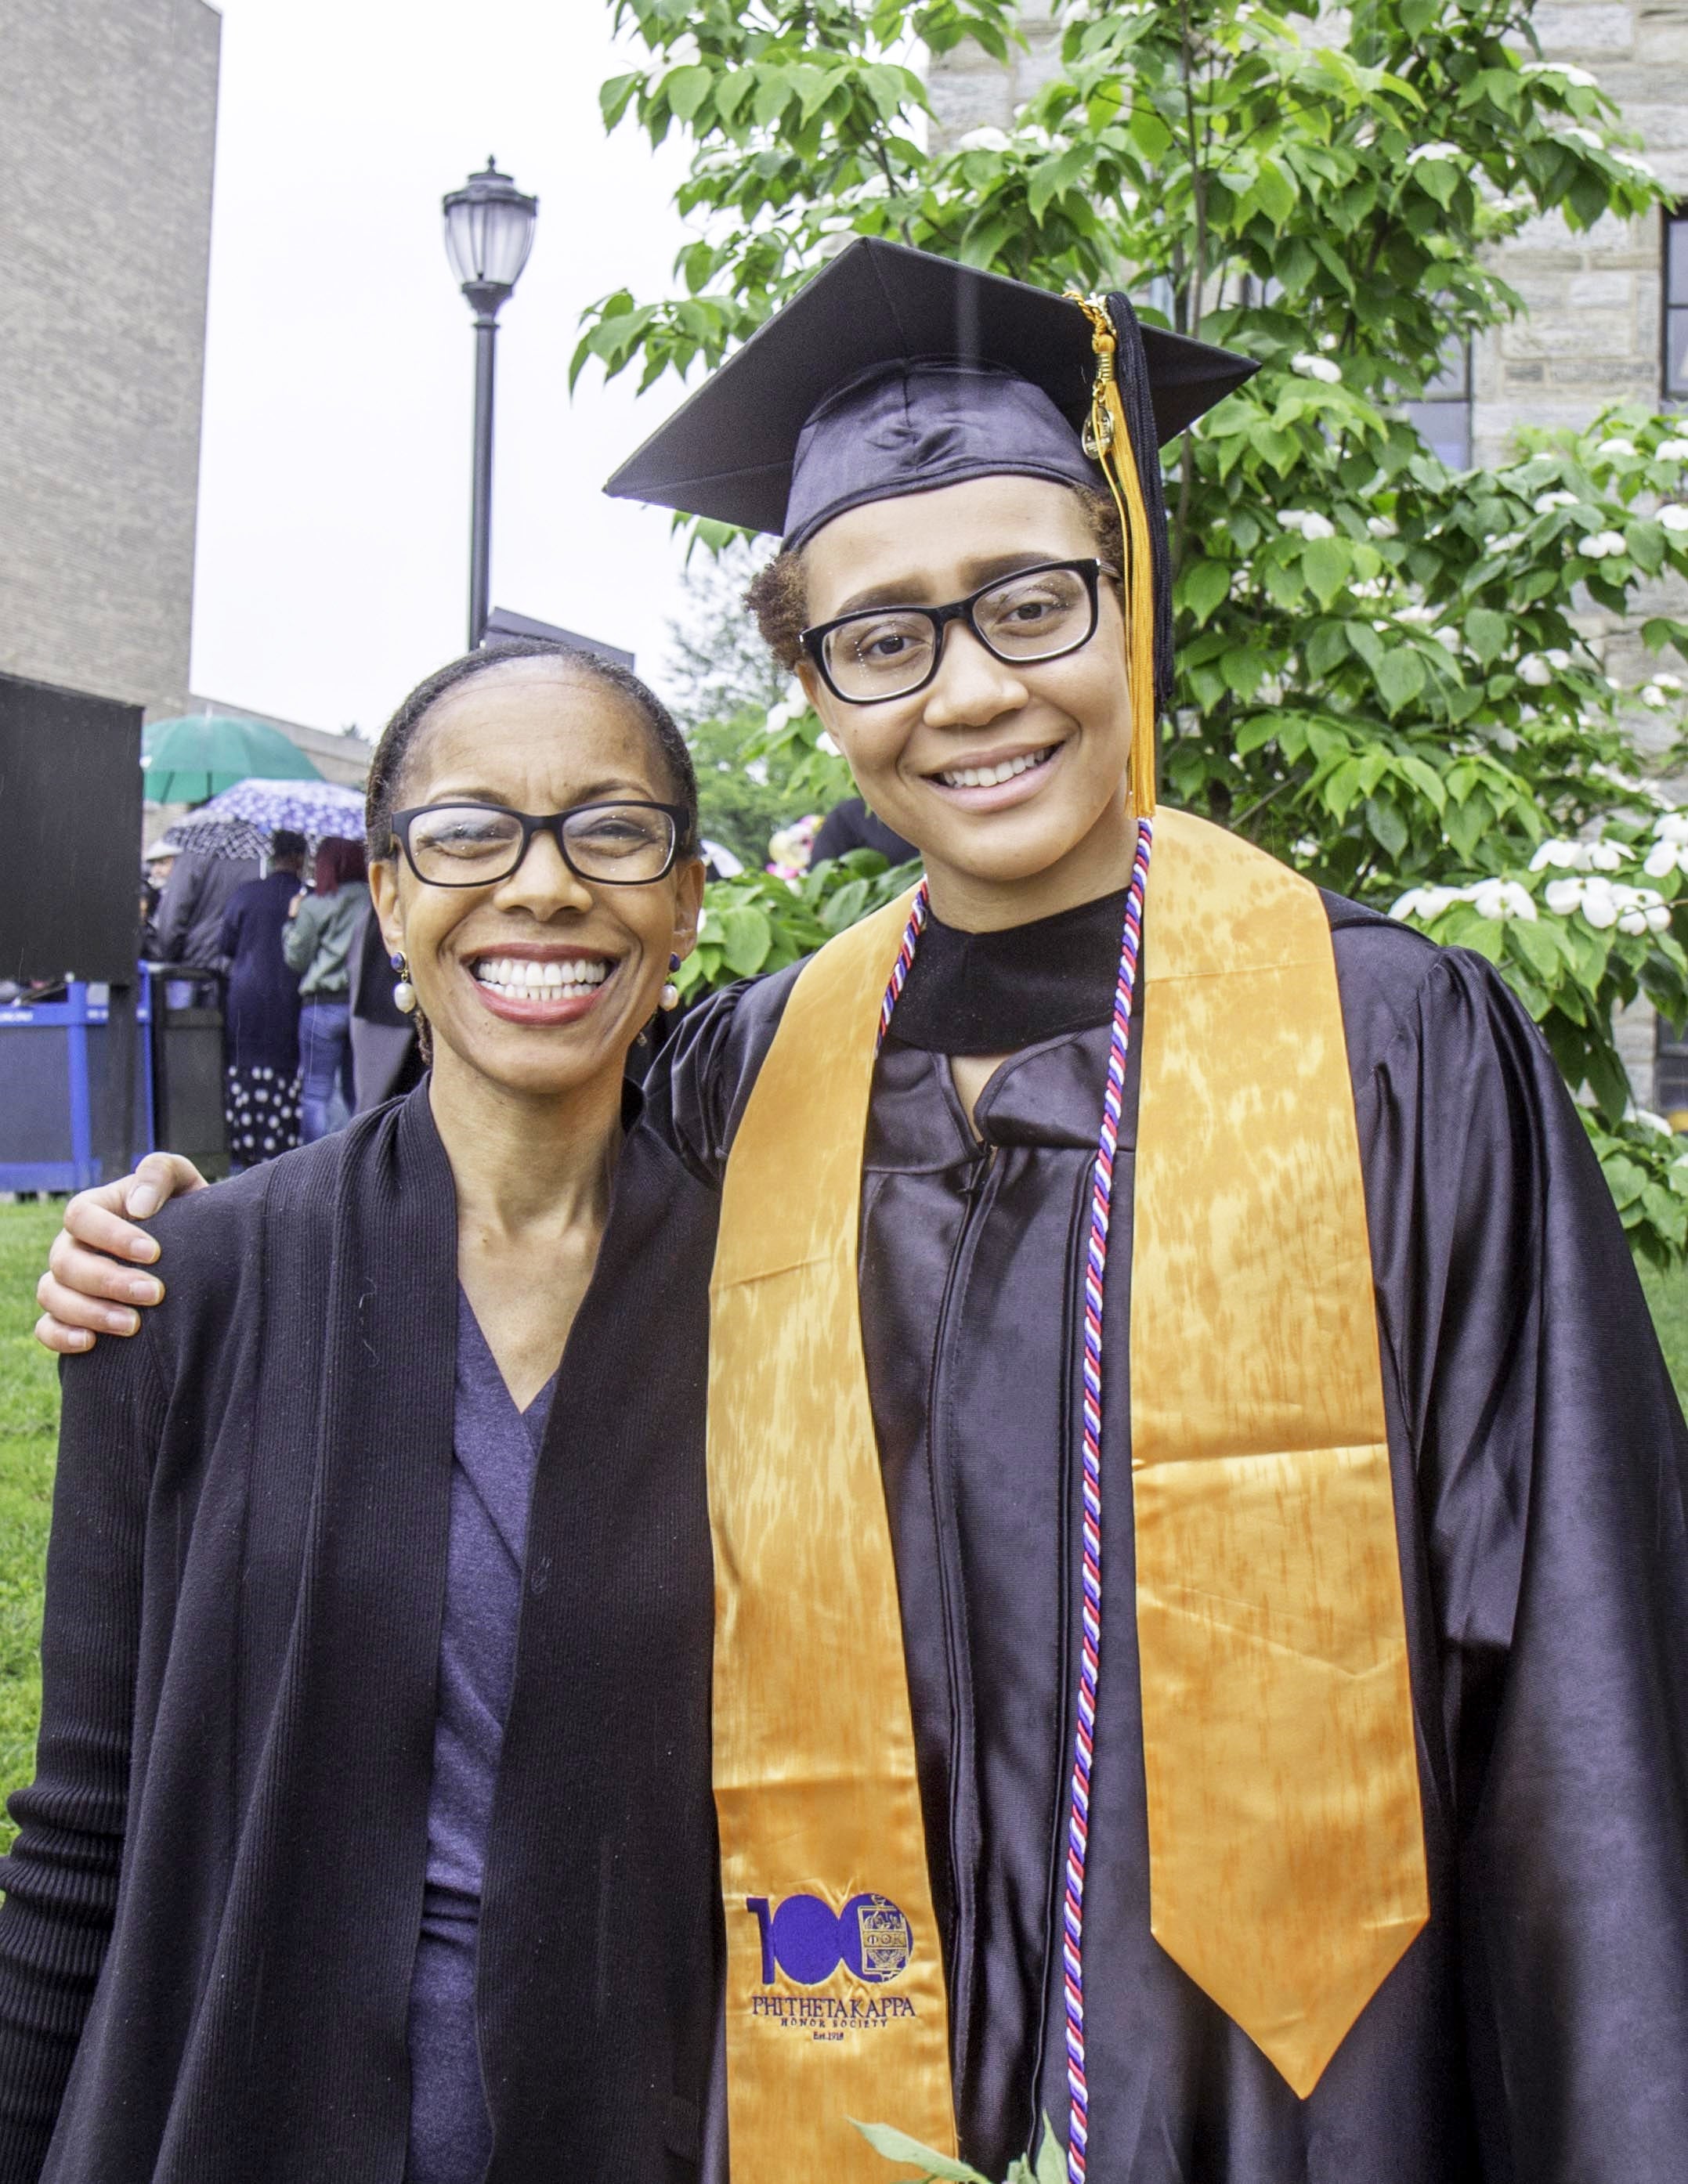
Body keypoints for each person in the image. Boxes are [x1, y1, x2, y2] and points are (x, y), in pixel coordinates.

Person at [33, 240, 1688, 2184]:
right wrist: (179, 1229)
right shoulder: (752, 1071)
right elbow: (488, 1171)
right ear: (810, 682)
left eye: (1028, 603)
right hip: (822, 2058)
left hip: (1294, 2092)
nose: (970, 689)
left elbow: (1574, 1693)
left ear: (1122, 593)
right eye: (881, 637)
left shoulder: (1389, 1046)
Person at [2, 639, 706, 2184]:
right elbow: (83, 1820)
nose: (542, 883)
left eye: (611, 826)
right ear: (387, 892)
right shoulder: (186, 1283)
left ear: (687, 897)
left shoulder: (782, 1303)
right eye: (468, 829)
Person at [217, 827, 306, 1170]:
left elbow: (224, 944)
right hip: (289, 993)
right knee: (284, 1068)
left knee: (245, 1065)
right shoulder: (304, 895)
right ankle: (280, 1143)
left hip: (246, 993)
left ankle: (245, 1145)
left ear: (273, 855)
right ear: (300, 858)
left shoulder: (246, 893)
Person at [283, 836, 368, 1141]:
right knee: (355, 1091)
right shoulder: (371, 900)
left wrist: (291, 920)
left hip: (321, 1004)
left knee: (317, 1091)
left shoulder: (315, 904)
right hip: (360, 1005)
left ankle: (316, 1170)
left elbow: (296, 958)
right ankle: (355, 1157)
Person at [148, 840, 259, 976]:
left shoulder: (193, 852)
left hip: (197, 964)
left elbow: (171, 923)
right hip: (240, 964)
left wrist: (171, 958)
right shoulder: (254, 853)